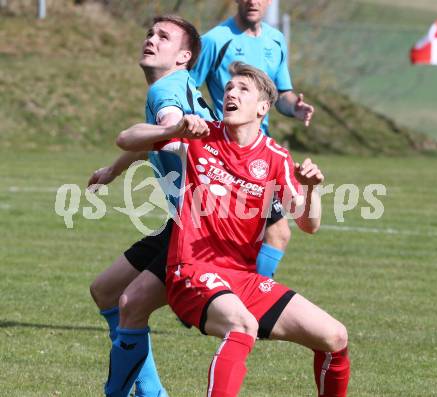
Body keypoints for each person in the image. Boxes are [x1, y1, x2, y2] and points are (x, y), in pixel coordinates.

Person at [117, 62, 350, 397]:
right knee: (243, 326)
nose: (231, 93)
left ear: (262, 108)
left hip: (241, 278)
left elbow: (308, 224)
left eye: (243, 89)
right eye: (228, 88)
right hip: (191, 270)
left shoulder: (275, 157)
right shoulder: (200, 136)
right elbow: (126, 139)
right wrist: (172, 130)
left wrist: (312, 188)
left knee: (335, 338)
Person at [88, 15, 213, 397]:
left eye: (164, 37)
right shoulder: (180, 84)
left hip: (204, 225)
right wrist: (113, 170)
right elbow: (157, 140)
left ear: (184, 56)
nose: (151, 40)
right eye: (150, 34)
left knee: (130, 303)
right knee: (107, 291)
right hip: (190, 219)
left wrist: (175, 134)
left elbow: (170, 126)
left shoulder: (166, 93)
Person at [190, 0, 315, 278]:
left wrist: (295, 107)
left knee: (278, 233)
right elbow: (188, 88)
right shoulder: (214, 40)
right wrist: (204, 124)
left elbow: (281, 94)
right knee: (209, 235)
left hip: (260, 150)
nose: (252, 1)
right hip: (223, 151)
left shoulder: (276, 40)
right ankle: (241, 295)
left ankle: (250, 294)